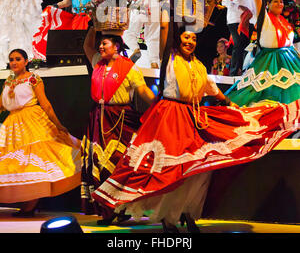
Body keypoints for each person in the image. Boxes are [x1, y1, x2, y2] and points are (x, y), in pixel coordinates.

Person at [90, 21, 300, 233]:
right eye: (186, 37)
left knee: (197, 169)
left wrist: (236, 108)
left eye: (193, 39)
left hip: (192, 118)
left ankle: (187, 212)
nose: (190, 42)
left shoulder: (199, 67)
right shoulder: (170, 59)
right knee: (170, 170)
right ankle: (167, 218)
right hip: (170, 118)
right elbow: (165, 29)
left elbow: (214, 91)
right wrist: (173, 5)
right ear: (177, 40)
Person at [81, 26, 155, 225]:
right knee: (99, 164)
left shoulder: (129, 68)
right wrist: (92, 24)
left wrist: (158, 106)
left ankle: (121, 208)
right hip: (98, 119)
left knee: (119, 165)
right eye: (101, 43)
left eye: (105, 43)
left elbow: (143, 92)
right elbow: (87, 46)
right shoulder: (97, 63)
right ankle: (108, 211)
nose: (100, 46)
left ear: (116, 46)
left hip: (121, 120)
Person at [0, 49, 81, 216]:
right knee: (16, 166)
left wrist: (58, 125)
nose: (14, 62)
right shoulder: (8, 81)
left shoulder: (33, 79)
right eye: (11, 60)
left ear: (26, 61)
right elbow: (1, 104)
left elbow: (46, 105)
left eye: (18, 59)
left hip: (32, 121)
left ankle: (29, 206)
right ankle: (26, 204)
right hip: (11, 125)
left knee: (36, 160)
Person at [225, 0, 300, 106]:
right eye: (275, 1)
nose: (280, 4)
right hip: (271, 61)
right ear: (268, 5)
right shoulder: (265, 18)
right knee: (267, 93)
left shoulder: (284, 21)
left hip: (290, 61)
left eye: (281, 1)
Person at [223, 0, 257, 76]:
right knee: (238, 46)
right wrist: (240, 7)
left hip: (249, 22)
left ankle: (243, 72)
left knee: (247, 48)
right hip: (236, 20)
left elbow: (253, 7)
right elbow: (225, 1)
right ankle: (233, 73)